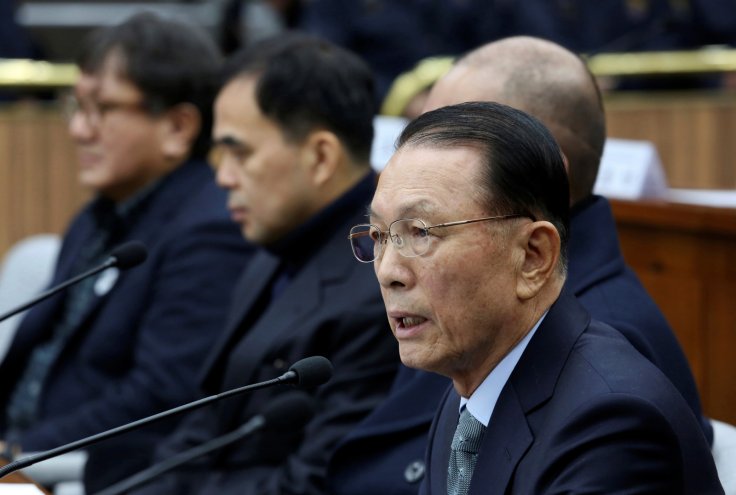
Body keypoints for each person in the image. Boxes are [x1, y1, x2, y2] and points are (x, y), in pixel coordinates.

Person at [328, 35, 712, 494]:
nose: (388, 269)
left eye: (422, 232)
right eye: (379, 235)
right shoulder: (467, 394)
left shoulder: (611, 424)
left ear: (534, 257)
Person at [130, 33, 398, 494]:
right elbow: (206, 421)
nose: (222, 176)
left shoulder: (382, 284)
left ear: (320, 156)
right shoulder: (274, 248)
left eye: (240, 152)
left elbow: (319, 482)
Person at [0, 12, 252, 491]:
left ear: (178, 127)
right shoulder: (103, 212)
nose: (78, 129)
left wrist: (18, 456)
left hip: (82, 472)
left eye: (102, 109)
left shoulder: (211, 232)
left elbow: (161, 397)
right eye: (75, 105)